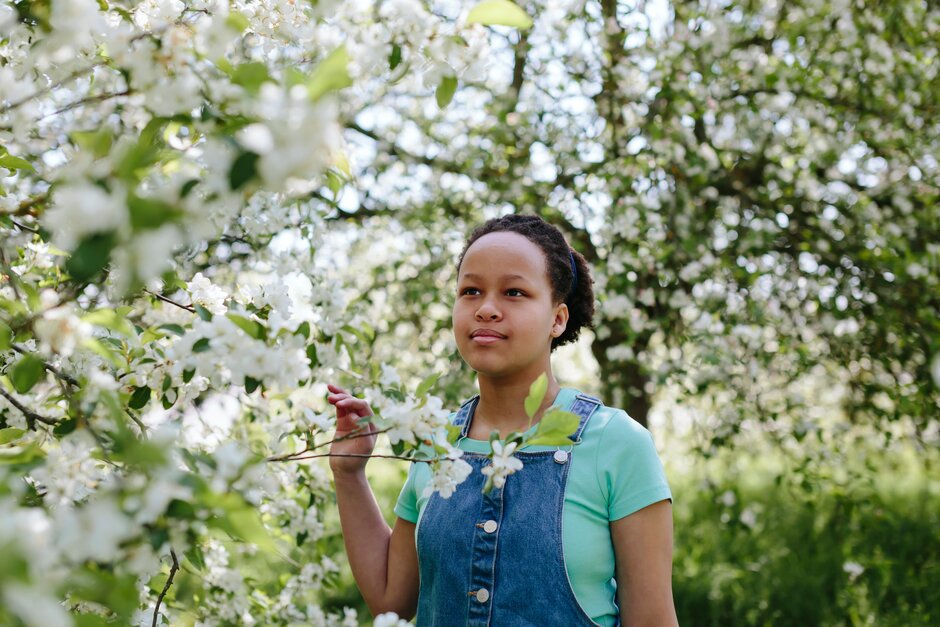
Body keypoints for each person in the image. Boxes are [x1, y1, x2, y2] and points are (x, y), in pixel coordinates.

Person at [327, 214, 677, 626]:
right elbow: (392, 602)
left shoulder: (616, 443)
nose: (487, 309)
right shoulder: (435, 442)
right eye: (471, 291)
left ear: (557, 319)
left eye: (514, 292)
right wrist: (349, 476)